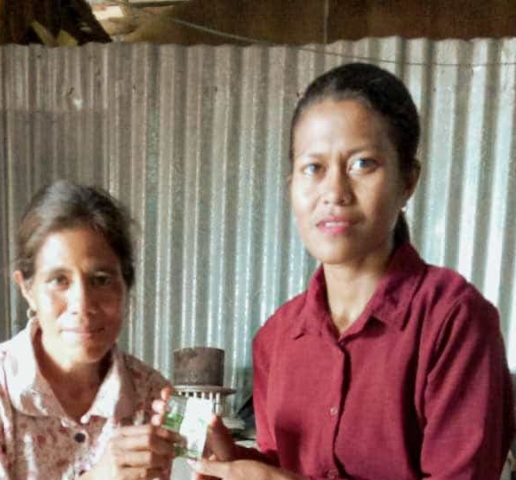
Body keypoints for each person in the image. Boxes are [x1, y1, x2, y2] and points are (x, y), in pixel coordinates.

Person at [177, 63, 515, 479]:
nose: (334, 192)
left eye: (362, 164)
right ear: (291, 187)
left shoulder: (452, 321)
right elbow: (291, 466)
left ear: (408, 180)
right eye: (313, 168)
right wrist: (234, 462)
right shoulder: (276, 339)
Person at [0, 181, 181, 480]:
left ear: (125, 285)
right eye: (59, 280)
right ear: (27, 289)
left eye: (102, 279)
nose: (82, 304)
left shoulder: (148, 393)